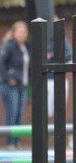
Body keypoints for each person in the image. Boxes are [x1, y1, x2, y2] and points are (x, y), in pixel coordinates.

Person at [0, 21, 31, 149]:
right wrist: (8, 78)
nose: (23, 34)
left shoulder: (26, 47)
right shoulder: (9, 46)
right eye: (20, 31)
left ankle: (17, 141)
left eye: (24, 31)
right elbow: (1, 63)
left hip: (22, 86)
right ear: (14, 33)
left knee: (20, 114)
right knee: (11, 114)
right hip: (10, 86)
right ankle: (10, 143)